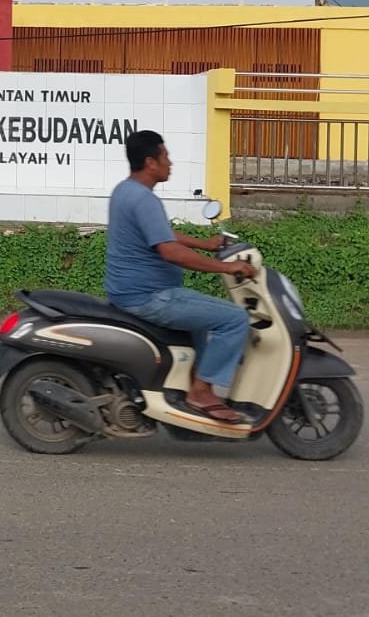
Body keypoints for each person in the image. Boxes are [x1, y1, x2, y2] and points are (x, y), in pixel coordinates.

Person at [105, 129, 258, 424]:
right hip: (150, 297)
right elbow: (170, 251)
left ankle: (192, 384)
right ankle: (200, 392)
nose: (170, 163)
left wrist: (206, 244)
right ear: (151, 162)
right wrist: (227, 267)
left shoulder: (126, 191)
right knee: (234, 319)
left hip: (133, 292)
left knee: (203, 319)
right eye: (166, 156)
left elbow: (162, 233)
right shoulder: (143, 199)